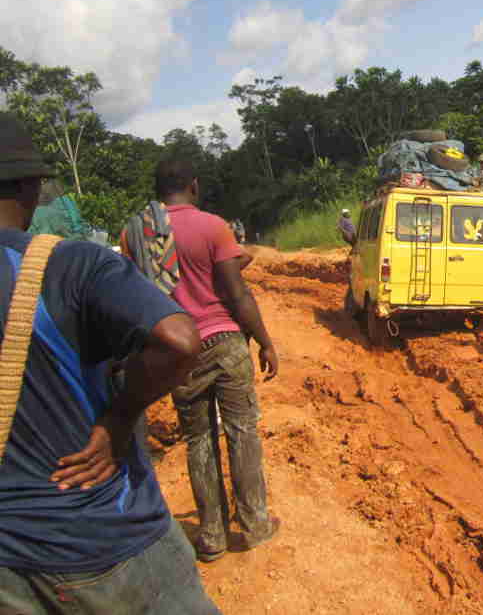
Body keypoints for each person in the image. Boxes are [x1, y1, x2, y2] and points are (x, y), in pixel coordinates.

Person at [0, 116, 220, 614]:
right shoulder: (68, 264)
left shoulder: (125, 236)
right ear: (30, 186)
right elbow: (179, 340)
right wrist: (119, 417)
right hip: (100, 535)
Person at [123, 159, 281, 563]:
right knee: (242, 432)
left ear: (158, 189)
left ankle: (212, 536)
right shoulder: (212, 226)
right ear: (193, 185)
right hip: (224, 341)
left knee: (198, 440)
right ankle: (255, 524)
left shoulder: (134, 234)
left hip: (178, 349)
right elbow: (236, 292)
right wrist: (264, 342)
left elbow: (134, 295)